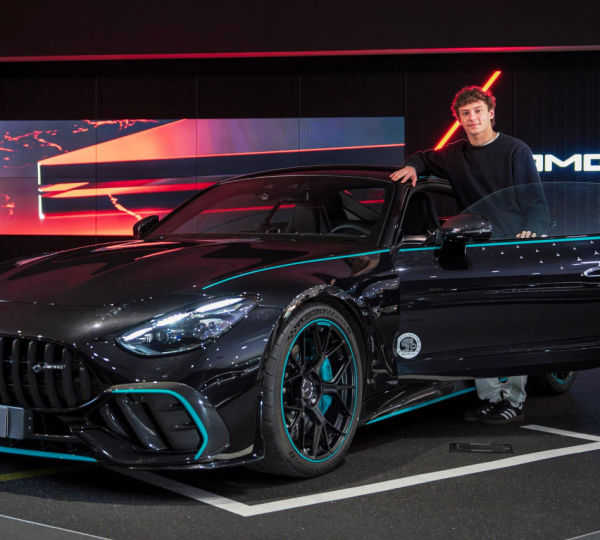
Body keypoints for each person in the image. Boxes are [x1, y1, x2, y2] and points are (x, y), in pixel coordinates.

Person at [390, 85, 547, 424]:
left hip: (509, 249)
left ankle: (513, 401)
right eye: (465, 114)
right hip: (473, 251)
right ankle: (490, 398)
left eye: (478, 111)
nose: (472, 118)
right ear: (459, 120)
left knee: (512, 328)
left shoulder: (515, 150)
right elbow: (422, 157)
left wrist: (530, 234)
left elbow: (535, 201)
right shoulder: (455, 154)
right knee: (477, 327)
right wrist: (413, 167)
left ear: (491, 113)